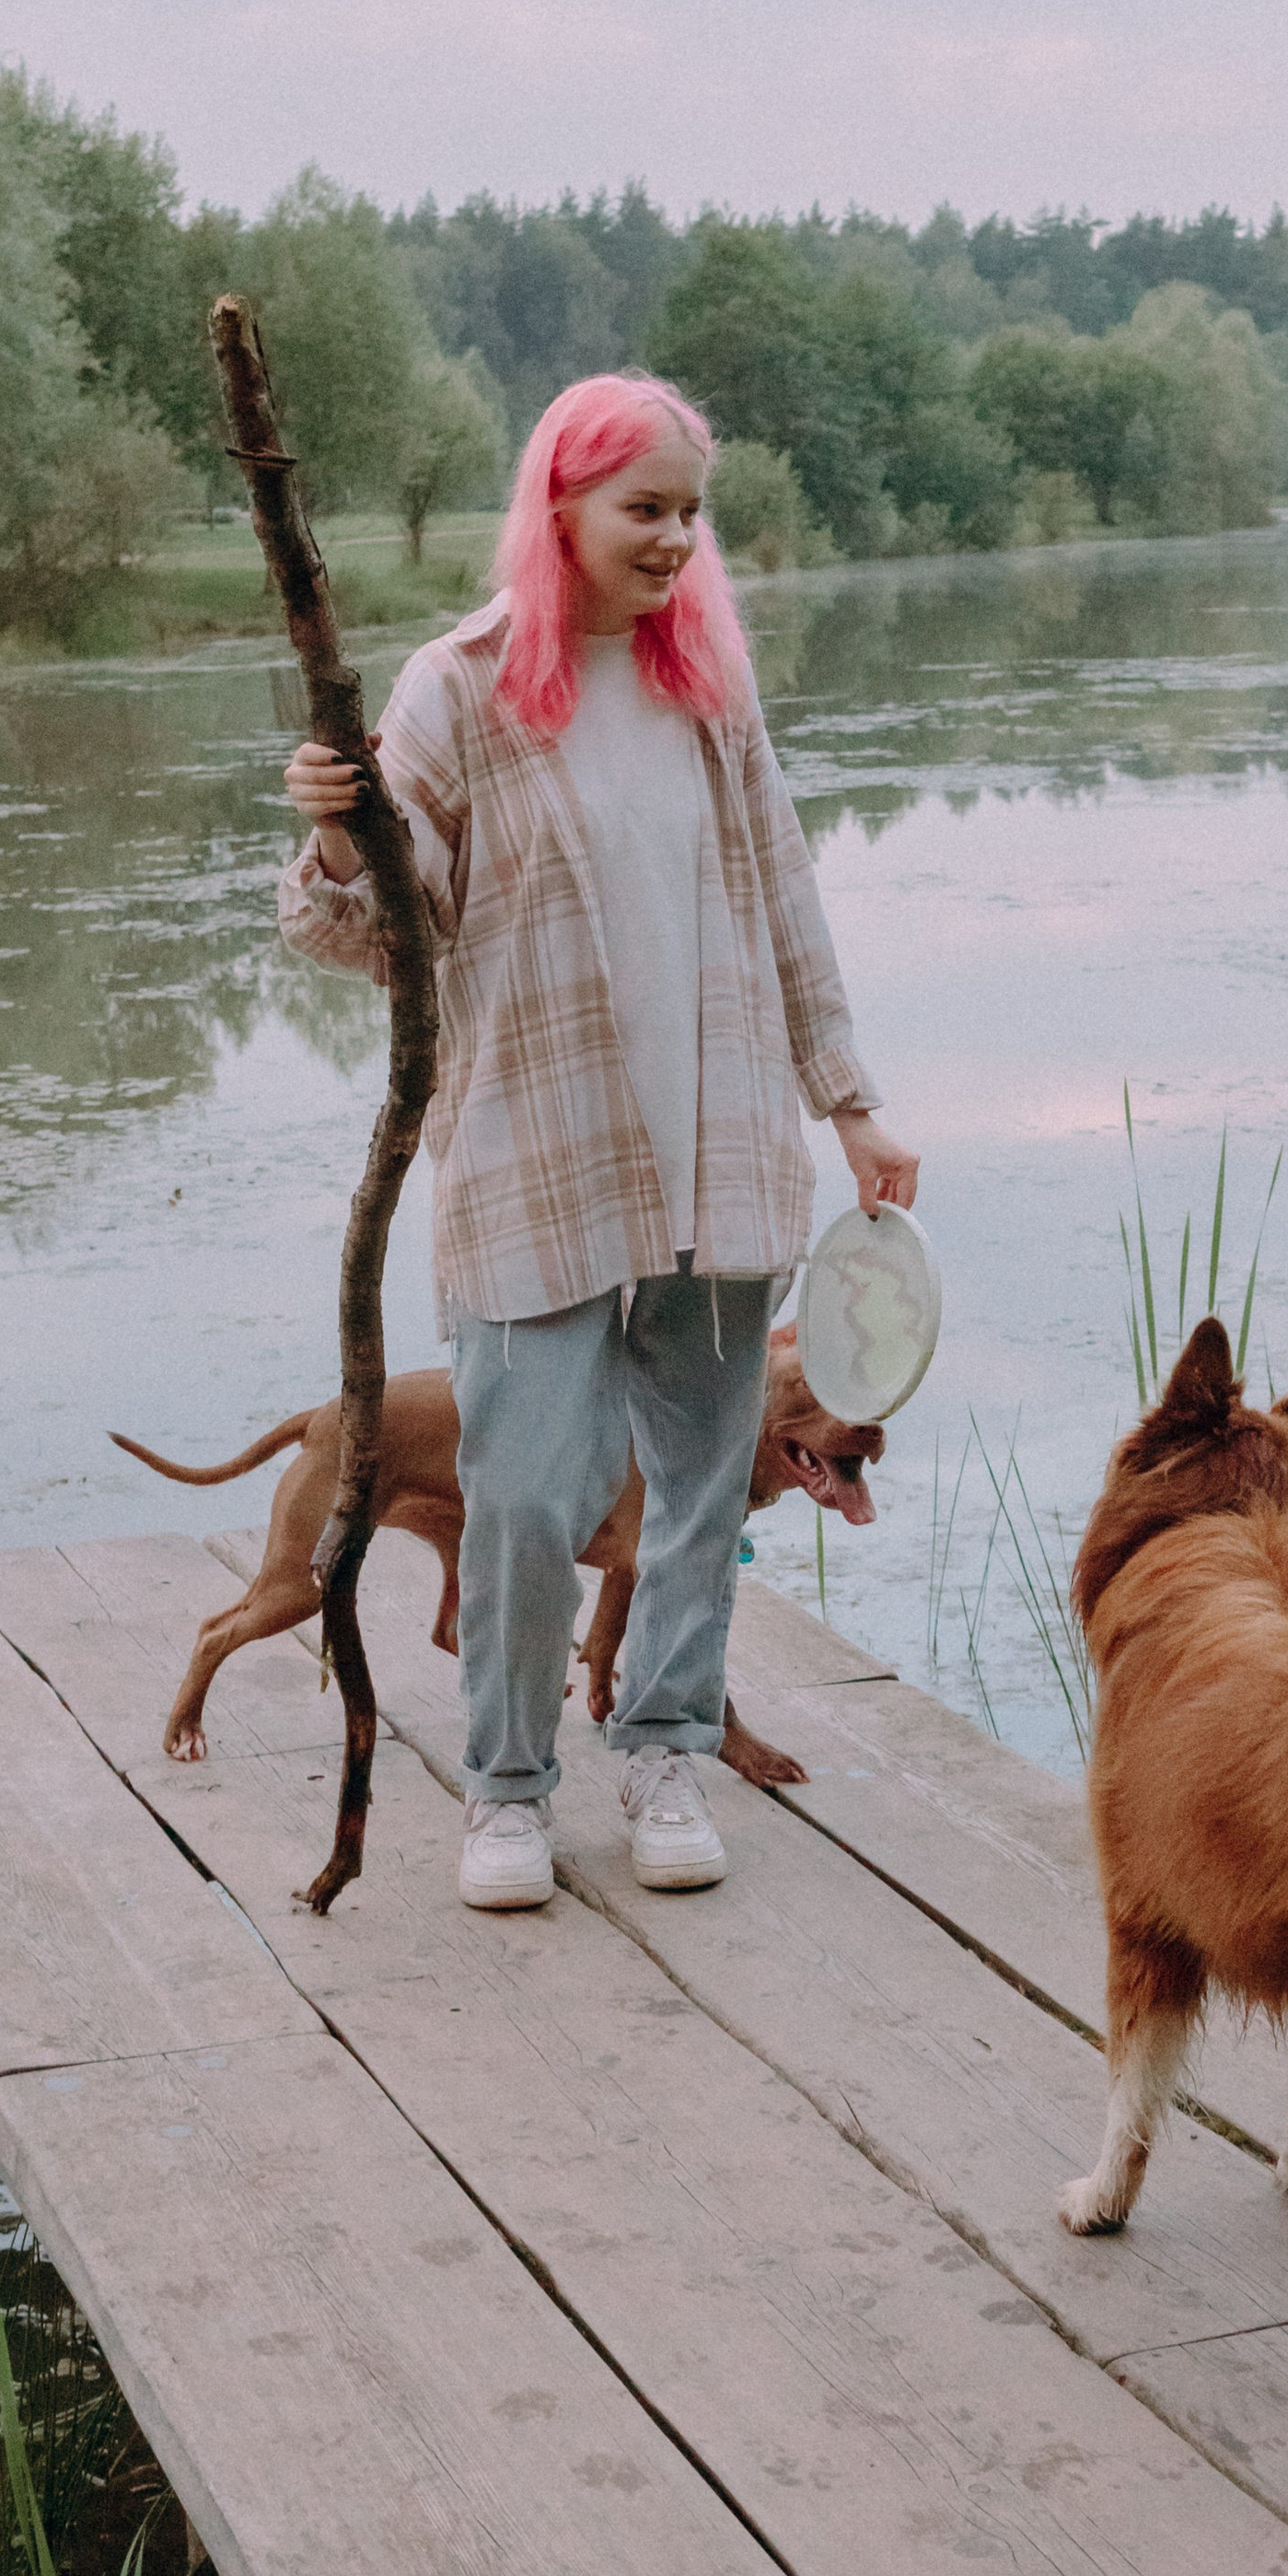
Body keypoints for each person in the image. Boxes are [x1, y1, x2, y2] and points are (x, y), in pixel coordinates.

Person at [279, 373, 918, 1913]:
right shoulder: (461, 684)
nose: (676, 540)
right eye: (647, 509)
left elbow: (784, 901)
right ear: (559, 506)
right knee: (525, 1491)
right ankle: (506, 1790)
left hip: (723, 1156)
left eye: (692, 513)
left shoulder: (712, 686)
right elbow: (375, 926)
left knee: (701, 1488)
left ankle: (664, 1750)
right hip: (534, 1147)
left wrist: (849, 1101)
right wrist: (333, 820)